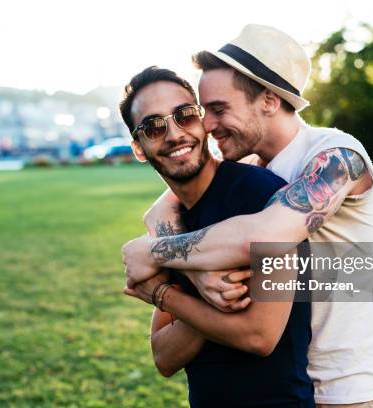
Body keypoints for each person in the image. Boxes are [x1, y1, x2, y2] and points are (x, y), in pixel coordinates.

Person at [122, 24, 373, 408]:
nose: (208, 125)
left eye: (219, 109)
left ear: (268, 100)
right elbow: (165, 204)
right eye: (204, 111)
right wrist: (200, 277)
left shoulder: (336, 156)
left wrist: (153, 254)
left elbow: (264, 234)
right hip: (291, 384)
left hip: (350, 391)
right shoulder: (253, 163)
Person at [119, 66, 315, 407]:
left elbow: (259, 335)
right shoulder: (171, 223)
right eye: (153, 126)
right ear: (138, 147)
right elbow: (164, 357)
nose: (174, 134)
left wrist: (164, 294)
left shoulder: (261, 197)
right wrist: (207, 296)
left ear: (203, 121)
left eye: (184, 115)